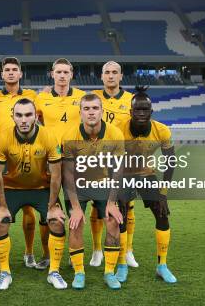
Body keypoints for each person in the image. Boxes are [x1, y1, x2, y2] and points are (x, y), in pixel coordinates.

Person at [0, 98, 67, 290]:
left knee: (57, 220)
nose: (23, 119)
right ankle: (4, 272)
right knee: (0, 222)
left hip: (41, 189)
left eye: (28, 115)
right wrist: (1, 205)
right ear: (13, 117)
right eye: (19, 115)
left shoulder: (48, 136)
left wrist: (52, 206)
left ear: (35, 116)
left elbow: (57, 175)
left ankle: (54, 272)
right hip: (12, 189)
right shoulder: (3, 138)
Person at [114, 86, 178, 284]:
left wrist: (163, 193)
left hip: (147, 175)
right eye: (137, 110)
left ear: (151, 112)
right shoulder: (118, 128)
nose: (141, 114)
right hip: (123, 175)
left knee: (162, 213)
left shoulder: (162, 130)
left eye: (145, 110)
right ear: (130, 112)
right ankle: (122, 264)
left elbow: (171, 161)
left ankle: (162, 265)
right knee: (121, 216)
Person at [61, 94, 125, 290]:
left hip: (103, 185)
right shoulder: (70, 136)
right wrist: (75, 207)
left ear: (101, 111)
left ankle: (109, 272)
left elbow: (118, 171)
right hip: (77, 187)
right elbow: (68, 175)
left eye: (95, 108)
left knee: (113, 221)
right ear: (80, 112)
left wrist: (112, 202)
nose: (91, 112)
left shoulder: (115, 134)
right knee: (75, 223)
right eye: (86, 108)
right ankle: (79, 272)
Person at [0, 57, 42, 269]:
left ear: (20, 74)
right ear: (2, 74)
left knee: (28, 207)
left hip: (28, 155)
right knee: (0, 206)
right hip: (3, 156)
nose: (11, 73)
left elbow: (42, 119)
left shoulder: (32, 96)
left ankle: (29, 253)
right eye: (7, 70)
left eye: (14, 70)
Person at [34, 57, 85, 270]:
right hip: (50, 162)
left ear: (71, 75)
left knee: (77, 209)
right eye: (58, 72)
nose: (62, 76)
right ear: (52, 74)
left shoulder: (83, 97)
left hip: (76, 161)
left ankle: (76, 257)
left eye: (66, 72)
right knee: (48, 211)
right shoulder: (41, 99)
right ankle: (47, 255)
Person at [92, 61, 138, 268]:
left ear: (121, 76)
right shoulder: (92, 98)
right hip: (97, 162)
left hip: (123, 162)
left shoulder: (131, 100)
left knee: (128, 208)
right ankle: (96, 250)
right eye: (107, 73)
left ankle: (127, 250)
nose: (110, 76)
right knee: (97, 207)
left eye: (114, 73)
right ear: (102, 77)